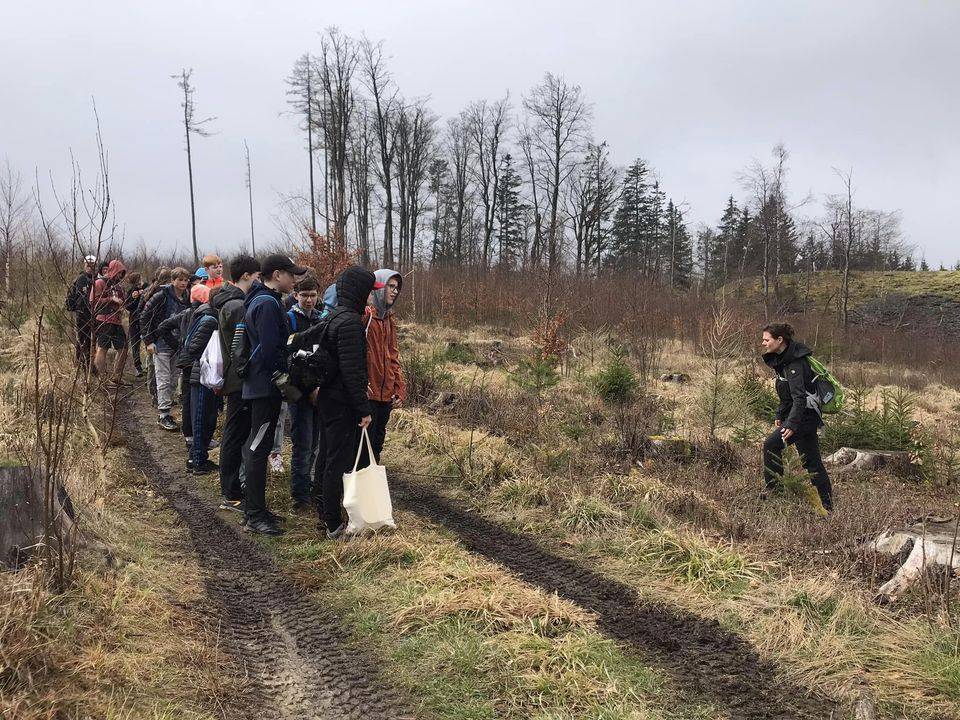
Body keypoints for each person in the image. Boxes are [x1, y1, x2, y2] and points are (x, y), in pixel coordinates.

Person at [241, 254, 307, 535]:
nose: (295, 280)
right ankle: (254, 514)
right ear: (277, 274)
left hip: (261, 386)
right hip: (264, 388)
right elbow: (270, 351)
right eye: (292, 275)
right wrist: (285, 374)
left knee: (261, 446)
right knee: (258, 448)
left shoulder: (262, 299)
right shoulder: (268, 304)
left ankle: (258, 509)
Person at [315, 266, 378, 540]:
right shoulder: (351, 323)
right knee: (337, 462)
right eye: (369, 292)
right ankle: (333, 524)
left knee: (327, 457)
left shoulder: (334, 317)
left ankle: (325, 513)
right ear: (359, 291)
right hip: (341, 404)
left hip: (329, 399)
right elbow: (352, 371)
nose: (371, 298)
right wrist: (363, 409)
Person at [760, 322, 833, 513]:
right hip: (803, 416)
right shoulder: (785, 359)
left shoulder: (795, 363)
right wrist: (780, 414)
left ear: (779, 340)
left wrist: (791, 424)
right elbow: (787, 393)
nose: (764, 343)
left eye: (766, 340)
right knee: (812, 461)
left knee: (771, 445)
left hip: (805, 417)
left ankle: (775, 493)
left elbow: (799, 397)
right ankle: (827, 507)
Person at [213, 255, 261, 512]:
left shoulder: (229, 302)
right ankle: (231, 493)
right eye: (256, 277)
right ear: (246, 276)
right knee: (234, 435)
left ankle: (233, 488)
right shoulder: (238, 306)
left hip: (235, 378)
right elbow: (242, 347)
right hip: (238, 380)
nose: (258, 281)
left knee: (236, 434)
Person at [360, 269, 406, 468]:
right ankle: (356, 493)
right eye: (390, 286)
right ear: (378, 287)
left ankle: (371, 490)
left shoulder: (390, 319)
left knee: (377, 445)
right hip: (367, 394)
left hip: (385, 395)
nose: (394, 292)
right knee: (362, 447)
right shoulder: (365, 317)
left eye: (397, 288)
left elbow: (393, 356)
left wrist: (399, 387)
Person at [286, 275, 323, 512]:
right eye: (304, 295)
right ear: (296, 295)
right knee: (303, 442)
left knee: (316, 442)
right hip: (299, 391)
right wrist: (307, 388)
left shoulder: (321, 319)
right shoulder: (290, 319)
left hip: (319, 390)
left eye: (313, 295)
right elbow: (289, 357)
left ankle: (309, 485)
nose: (309, 300)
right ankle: (299, 496)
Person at [178, 285, 222, 474]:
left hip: (204, 374)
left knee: (207, 419)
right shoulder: (210, 319)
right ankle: (197, 462)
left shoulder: (206, 315)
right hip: (203, 375)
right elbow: (193, 347)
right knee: (201, 419)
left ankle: (198, 458)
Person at [142, 266, 191, 430]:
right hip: (161, 342)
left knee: (172, 379)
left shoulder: (187, 297)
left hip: (178, 343)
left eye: (186, 280)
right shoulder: (161, 296)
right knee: (163, 379)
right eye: (180, 280)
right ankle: (164, 414)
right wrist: (148, 341)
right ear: (173, 280)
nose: (183, 283)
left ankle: (168, 410)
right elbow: (144, 316)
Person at [89, 259, 128, 384]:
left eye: (122, 274)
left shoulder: (117, 286)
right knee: (102, 348)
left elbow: (124, 300)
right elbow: (93, 301)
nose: (120, 276)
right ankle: (102, 378)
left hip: (117, 320)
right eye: (119, 273)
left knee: (123, 348)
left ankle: (116, 376)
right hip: (103, 319)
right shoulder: (99, 282)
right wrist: (111, 299)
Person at [139, 267, 171, 405]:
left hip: (156, 333)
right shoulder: (152, 293)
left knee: (153, 364)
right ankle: (154, 394)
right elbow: (142, 313)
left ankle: (155, 393)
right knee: (153, 364)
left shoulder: (168, 293)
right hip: (152, 333)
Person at [66, 255, 97, 372]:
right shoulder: (81, 279)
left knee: (91, 340)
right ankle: (81, 365)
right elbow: (81, 298)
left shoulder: (96, 279)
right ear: (84, 265)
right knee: (82, 340)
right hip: (82, 314)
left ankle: (88, 364)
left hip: (93, 315)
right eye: (88, 265)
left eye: (92, 265)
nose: (90, 267)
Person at [124, 272, 148, 377]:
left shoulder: (147, 287)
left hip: (146, 319)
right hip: (134, 320)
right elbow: (128, 306)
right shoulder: (131, 292)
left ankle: (149, 364)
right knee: (135, 344)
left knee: (148, 341)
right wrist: (135, 298)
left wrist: (144, 292)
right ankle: (138, 367)